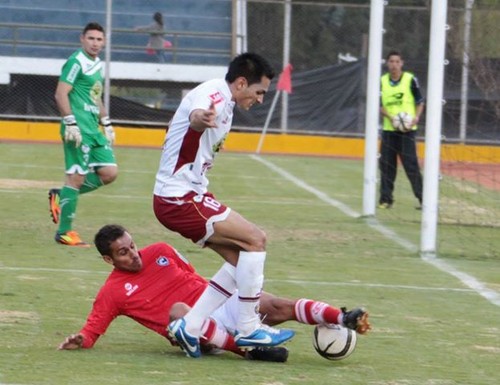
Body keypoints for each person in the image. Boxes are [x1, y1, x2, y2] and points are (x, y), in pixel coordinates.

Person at [58, 224, 371, 362]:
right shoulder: (112, 292)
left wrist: (226, 304)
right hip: (193, 332)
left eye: (132, 246)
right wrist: (79, 340)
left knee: (274, 303)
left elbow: (194, 276)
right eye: (123, 253)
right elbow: (92, 331)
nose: (134, 254)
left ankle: (342, 316)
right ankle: (246, 349)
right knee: (180, 311)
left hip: (220, 306)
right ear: (108, 260)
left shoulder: (162, 250)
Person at [153, 52, 294, 357]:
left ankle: (191, 326)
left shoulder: (226, 102)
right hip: (179, 197)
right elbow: (197, 113)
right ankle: (247, 327)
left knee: (242, 261)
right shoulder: (214, 93)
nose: (259, 100)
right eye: (259, 92)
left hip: (187, 194)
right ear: (241, 83)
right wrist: (199, 119)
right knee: (256, 239)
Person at [48, 22, 117, 247]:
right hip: (78, 129)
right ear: (82, 39)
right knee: (77, 177)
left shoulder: (97, 64)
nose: (95, 43)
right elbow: (61, 93)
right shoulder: (76, 61)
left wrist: (105, 122)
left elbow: (95, 97)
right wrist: (70, 123)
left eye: (99, 39)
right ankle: (64, 232)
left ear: (104, 42)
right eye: (91, 38)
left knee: (109, 173)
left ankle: (63, 195)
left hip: (93, 129)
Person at [379, 50, 424, 210]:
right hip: (389, 130)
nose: (394, 65)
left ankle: (423, 199)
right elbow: (379, 106)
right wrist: (391, 118)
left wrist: (416, 118)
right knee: (386, 165)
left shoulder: (410, 79)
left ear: (402, 63)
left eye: (397, 62)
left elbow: (420, 102)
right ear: (387, 63)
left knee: (411, 166)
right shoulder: (382, 81)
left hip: (407, 131)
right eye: (391, 61)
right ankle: (386, 200)